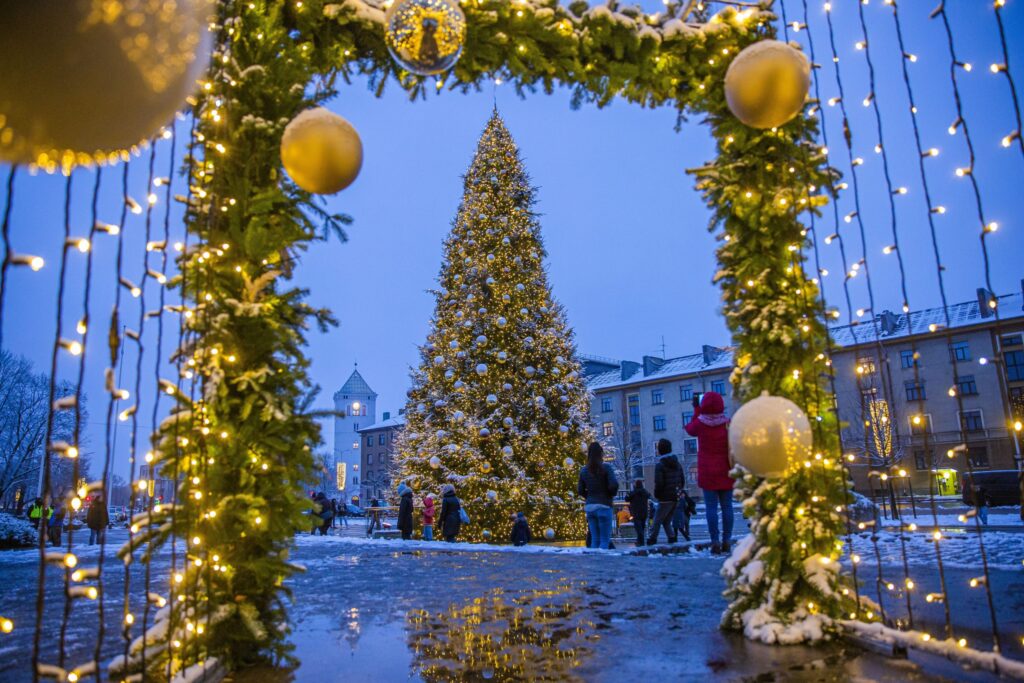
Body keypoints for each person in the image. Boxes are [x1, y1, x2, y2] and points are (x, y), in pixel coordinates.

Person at [686, 391, 734, 554]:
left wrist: (697, 410)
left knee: (710, 508)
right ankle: (727, 540)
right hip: (726, 469)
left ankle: (715, 541)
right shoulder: (727, 423)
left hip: (707, 471)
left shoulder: (700, 423)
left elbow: (690, 430)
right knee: (727, 507)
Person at [577, 442, 619, 550]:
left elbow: (580, 490)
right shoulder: (607, 468)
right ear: (601, 453)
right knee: (604, 541)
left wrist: (589, 496)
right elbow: (614, 485)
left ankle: (593, 562)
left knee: (595, 540)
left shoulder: (584, 470)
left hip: (590, 507)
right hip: (604, 505)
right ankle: (603, 563)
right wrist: (610, 494)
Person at [647, 439, 683, 545]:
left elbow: (659, 482)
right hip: (675, 497)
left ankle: (652, 539)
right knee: (666, 520)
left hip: (664, 498)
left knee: (657, 519)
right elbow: (682, 480)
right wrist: (678, 491)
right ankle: (672, 538)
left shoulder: (660, 465)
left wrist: (657, 495)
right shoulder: (677, 464)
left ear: (660, 450)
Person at [625, 480, 651, 546]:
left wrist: (629, 494)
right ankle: (640, 541)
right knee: (642, 527)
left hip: (636, 512)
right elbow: (649, 495)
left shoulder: (633, 493)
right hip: (644, 512)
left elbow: (626, 499)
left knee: (638, 528)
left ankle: (641, 542)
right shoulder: (644, 491)